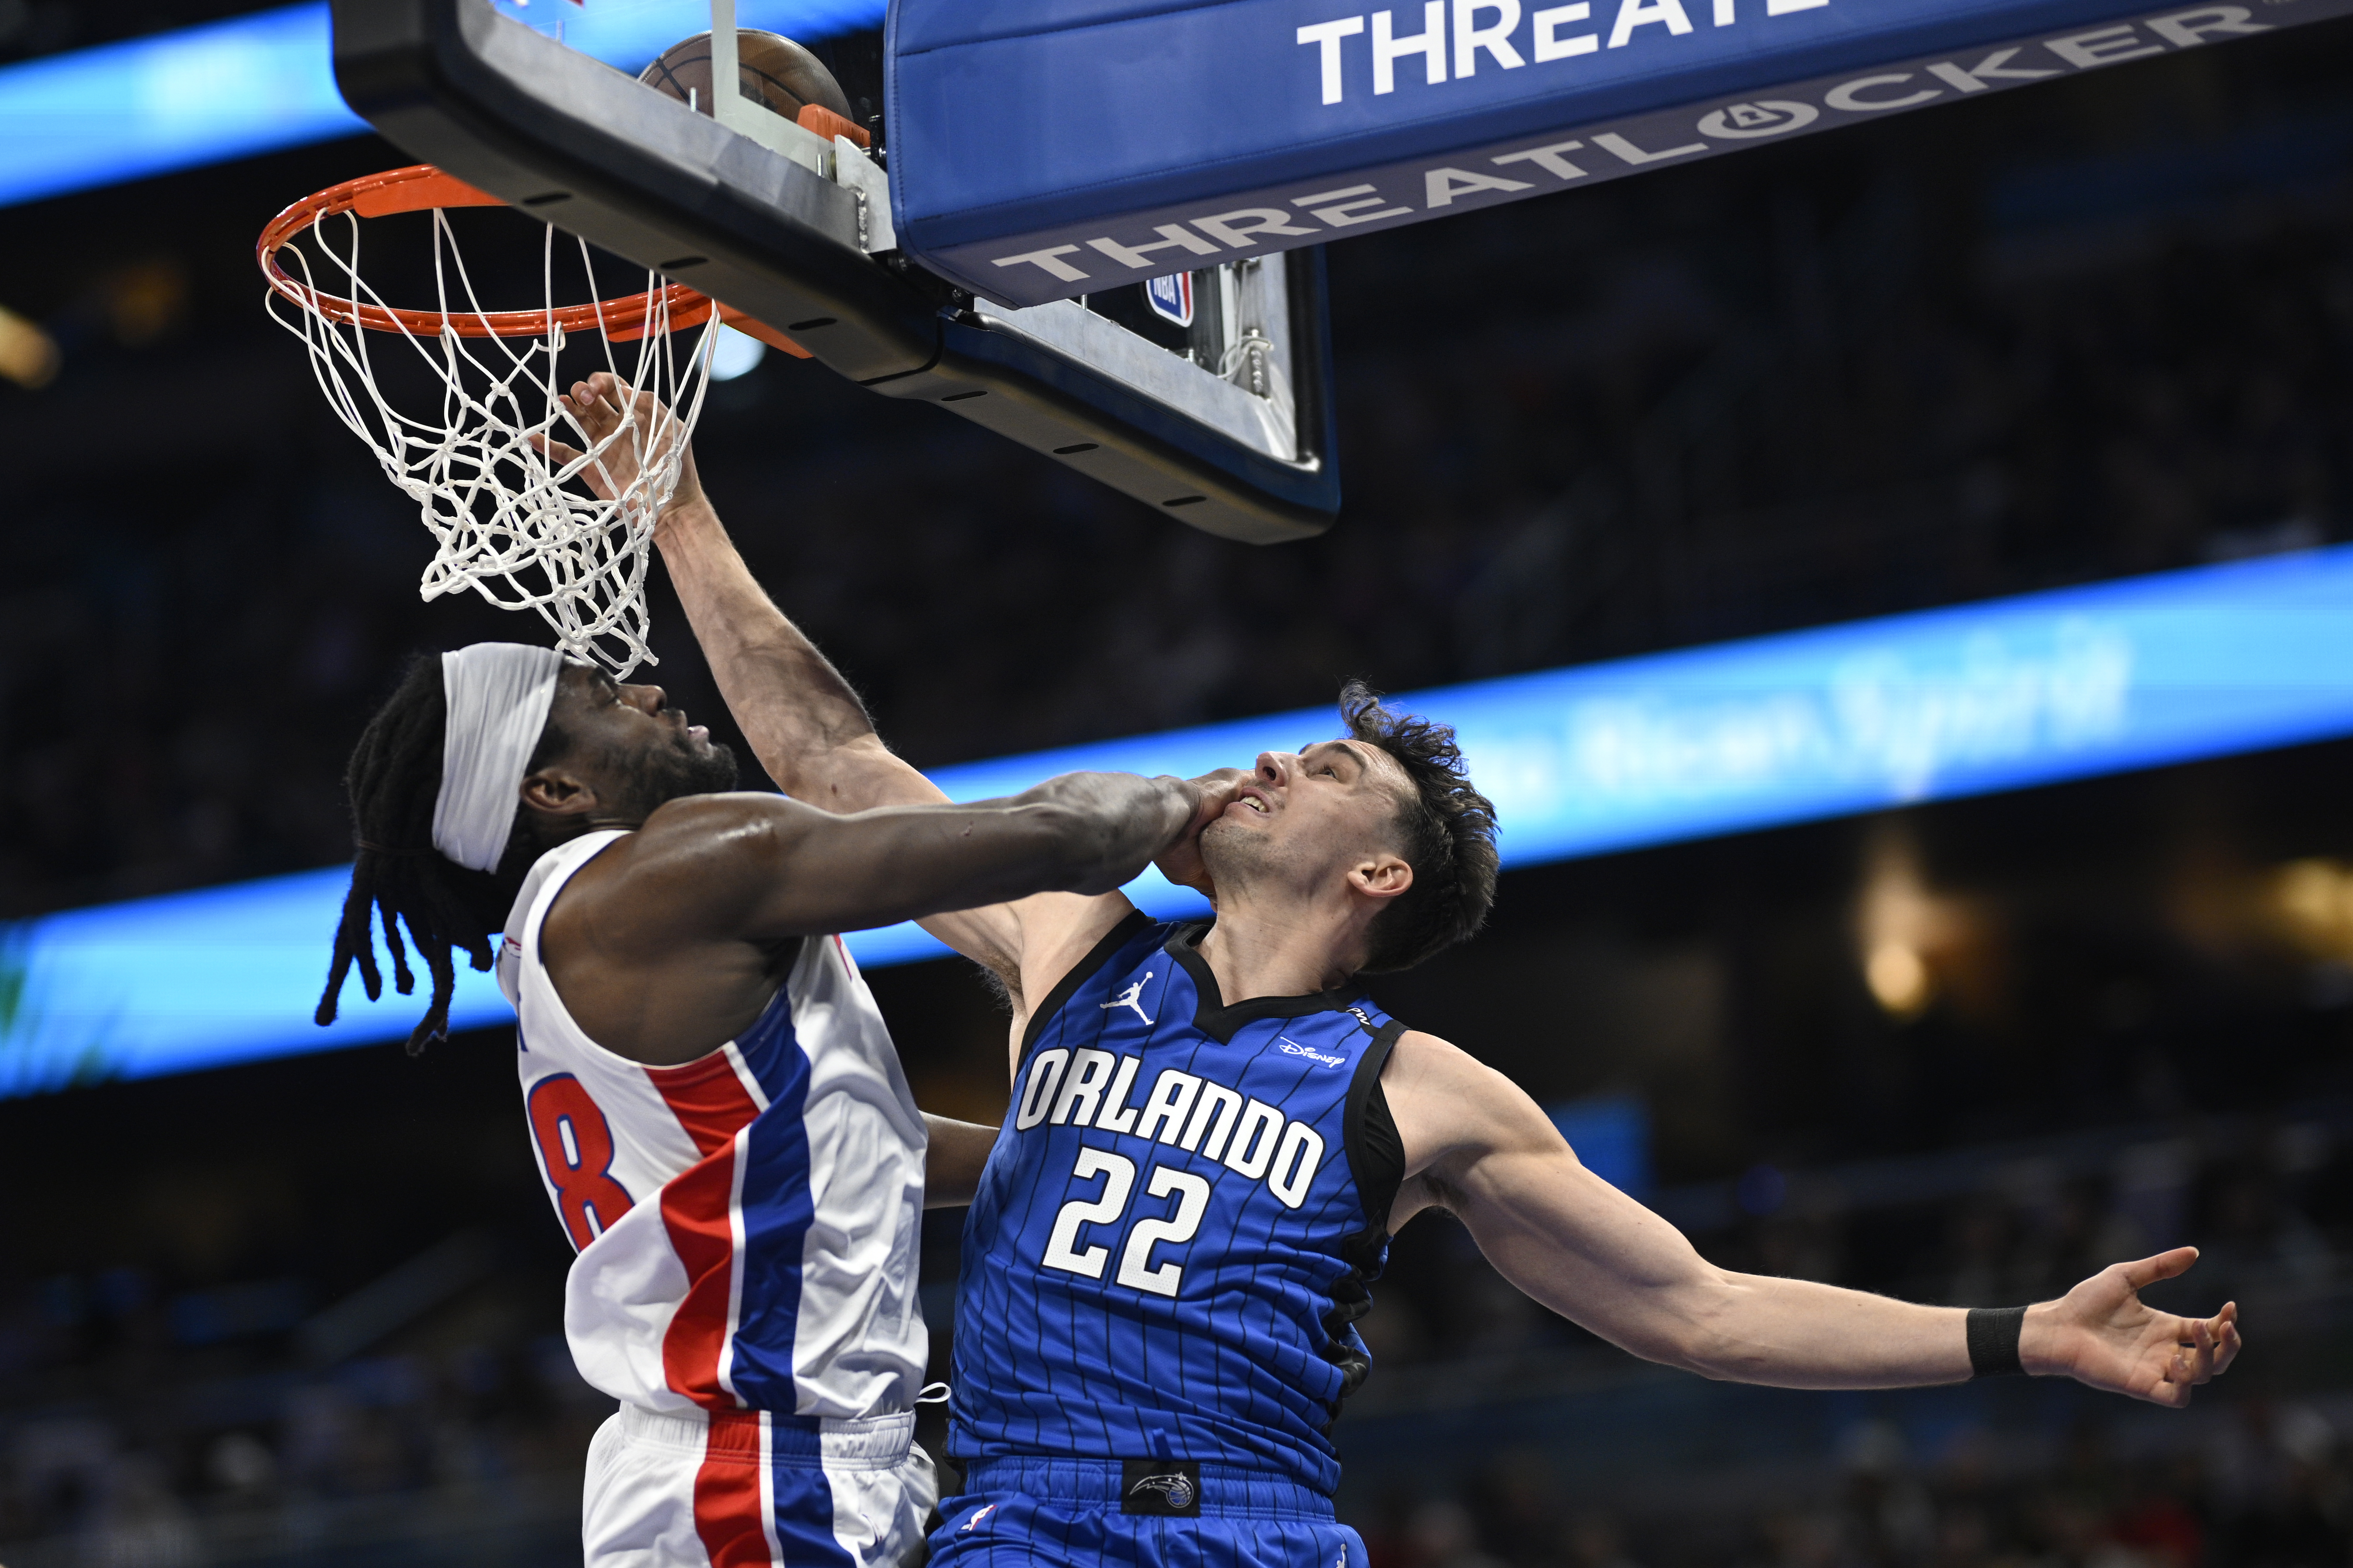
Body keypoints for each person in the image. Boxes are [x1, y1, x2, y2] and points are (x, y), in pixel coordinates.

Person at [557, 373, 2244, 1568]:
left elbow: (1701, 1308)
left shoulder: (1419, 1092)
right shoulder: (1074, 949)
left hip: (1245, 1530)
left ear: (1377, 874)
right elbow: (844, 768)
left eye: (1321, 771)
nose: (1269, 770)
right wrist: (683, 515)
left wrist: (2019, 1335)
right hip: (1009, 1521)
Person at [313, 639, 1212, 1568]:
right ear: (557, 790)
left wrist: (1095, 1163)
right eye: (607, 697)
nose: (651, 690)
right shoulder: (679, 871)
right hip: (757, 1485)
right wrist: (1194, 801)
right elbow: (1056, 839)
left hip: (750, 1472)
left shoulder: (580, 930)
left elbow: (849, 1148)